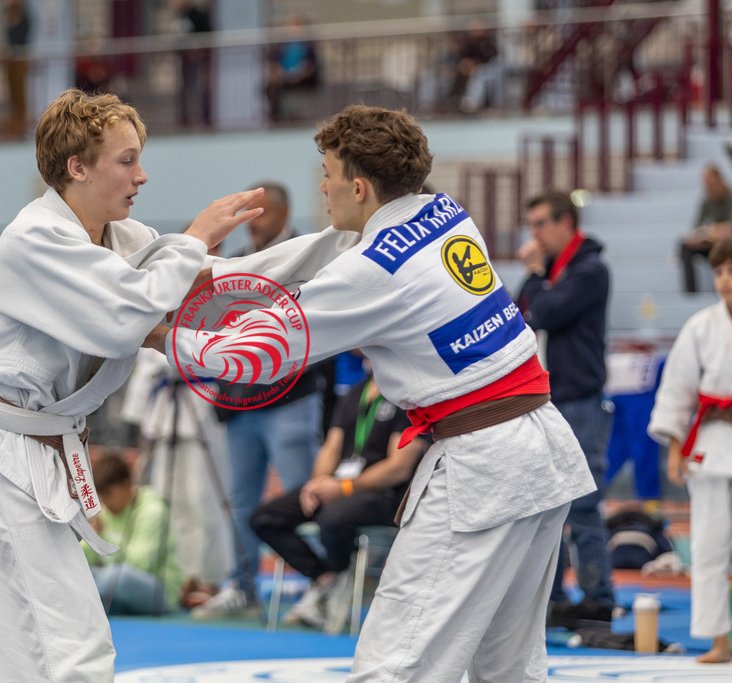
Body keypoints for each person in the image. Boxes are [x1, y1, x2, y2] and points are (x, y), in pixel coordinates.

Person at [148, 104, 594, 682]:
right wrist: (202, 273)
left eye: (328, 174)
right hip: (541, 449)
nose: (322, 187)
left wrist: (160, 334)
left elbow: (262, 349)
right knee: (508, 667)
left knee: (392, 664)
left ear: (358, 186)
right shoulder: (444, 212)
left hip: (483, 468)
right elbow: (322, 250)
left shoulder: (371, 272)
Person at [0, 89, 263, 682]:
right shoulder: (33, 237)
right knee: (70, 651)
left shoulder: (122, 238)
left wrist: (337, 257)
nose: (142, 175)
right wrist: (193, 238)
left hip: (34, 450)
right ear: (77, 167)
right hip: (3, 454)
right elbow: (128, 312)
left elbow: (210, 281)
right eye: (127, 160)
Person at [192, 181, 330, 619]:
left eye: (262, 212)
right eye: (248, 213)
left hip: (291, 399)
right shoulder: (235, 264)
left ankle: (320, 585)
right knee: (242, 500)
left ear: (284, 213)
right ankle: (242, 586)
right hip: (240, 406)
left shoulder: (309, 257)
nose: (252, 221)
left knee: (304, 496)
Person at [250, 370, 427, 631]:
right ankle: (327, 579)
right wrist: (316, 485)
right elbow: (331, 447)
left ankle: (338, 579)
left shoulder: (409, 395)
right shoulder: (354, 393)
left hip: (386, 494)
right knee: (265, 517)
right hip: (340, 488)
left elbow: (399, 467)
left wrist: (344, 487)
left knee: (332, 516)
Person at [648, 238, 732, 664]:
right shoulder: (700, 326)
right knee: (708, 545)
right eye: (719, 271)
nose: (724, 280)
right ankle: (718, 640)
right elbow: (677, 390)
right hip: (709, 444)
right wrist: (675, 450)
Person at [516, 190, 616, 627]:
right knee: (545, 505)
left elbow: (546, 313)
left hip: (579, 402)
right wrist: (537, 277)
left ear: (565, 223)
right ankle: (552, 597)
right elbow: (519, 313)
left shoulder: (590, 271)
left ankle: (598, 598)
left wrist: (536, 274)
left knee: (584, 506)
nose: (534, 234)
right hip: (547, 401)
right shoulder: (553, 272)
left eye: (540, 224)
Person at [120, 348, 232, 601]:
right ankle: (182, 576)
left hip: (202, 404)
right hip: (164, 411)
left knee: (203, 500)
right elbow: (146, 362)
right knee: (168, 501)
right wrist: (137, 416)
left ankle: (210, 578)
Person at [83, 451, 184, 616]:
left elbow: (140, 565)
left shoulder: (153, 511)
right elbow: (84, 556)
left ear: (127, 484)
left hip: (160, 592)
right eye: (101, 496)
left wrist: (104, 535)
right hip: (117, 588)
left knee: (119, 576)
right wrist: (88, 536)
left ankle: (79, 599)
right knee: (77, 572)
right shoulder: (105, 511)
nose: (105, 502)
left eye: (108, 494)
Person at [679, 165, 732, 293]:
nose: (709, 189)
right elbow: (696, 228)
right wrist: (705, 235)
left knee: (723, 247)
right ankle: (690, 294)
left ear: (720, 181)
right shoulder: (707, 200)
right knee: (685, 246)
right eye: (706, 186)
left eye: (711, 185)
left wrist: (712, 231)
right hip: (717, 244)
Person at [265, 14, 320, 122]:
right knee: (270, 87)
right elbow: (274, 62)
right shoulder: (282, 45)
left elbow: (310, 66)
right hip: (285, 77)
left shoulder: (308, 45)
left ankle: (295, 117)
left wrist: (297, 76)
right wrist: (277, 73)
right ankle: (277, 118)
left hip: (303, 79)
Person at [173, 0, 213, 128]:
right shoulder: (180, 16)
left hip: (198, 60)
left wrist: (197, 50)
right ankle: (185, 119)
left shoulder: (198, 15)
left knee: (200, 88)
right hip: (185, 60)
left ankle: (204, 118)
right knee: (185, 89)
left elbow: (208, 34)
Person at [1, 0, 31, 137]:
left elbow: (22, 39)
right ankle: (15, 122)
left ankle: (21, 123)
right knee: (12, 93)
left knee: (20, 94)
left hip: (19, 59)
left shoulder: (24, 18)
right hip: (11, 60)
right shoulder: (8, 16)